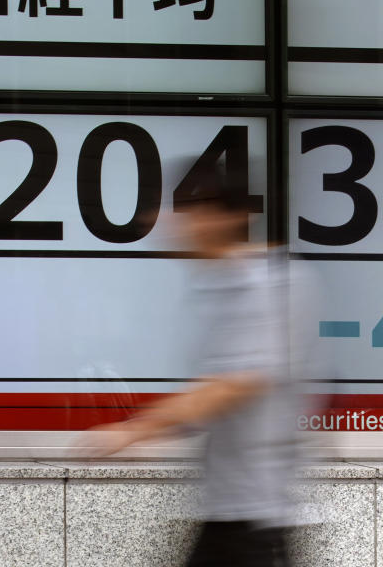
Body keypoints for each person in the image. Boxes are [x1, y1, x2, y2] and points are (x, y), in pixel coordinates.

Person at [77, 164, 304, 567]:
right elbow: (208, 403)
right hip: (228, 511)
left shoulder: (264, 287)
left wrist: (134, 431)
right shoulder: (218, 286)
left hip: (256, 519)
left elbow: (231, 387)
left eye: (188, 210)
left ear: (227, 217)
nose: (171, 221)